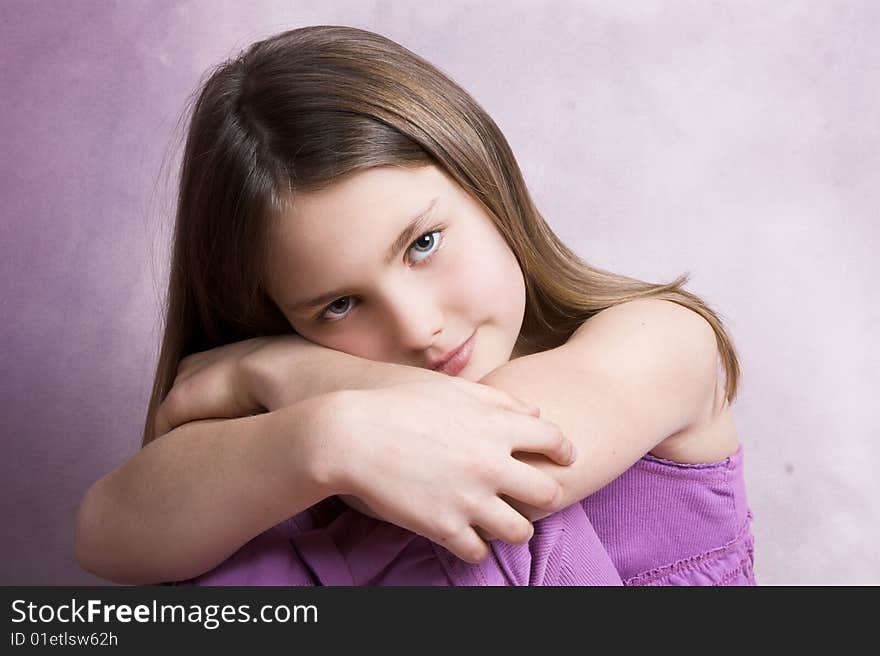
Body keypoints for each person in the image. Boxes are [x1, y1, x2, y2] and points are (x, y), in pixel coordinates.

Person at [74, 25, 755, 586]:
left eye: (423, 243)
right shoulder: (294, 446)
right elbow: (106, 537)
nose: (418, 327)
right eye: (339, 305)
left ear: (487, 183)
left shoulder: (661, 339)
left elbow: (486, 450)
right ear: (276, 310)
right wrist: (324, 439)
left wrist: (275, 372)